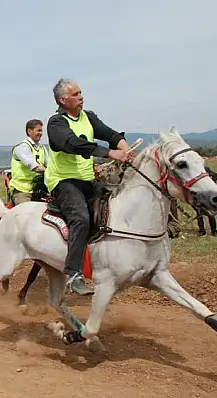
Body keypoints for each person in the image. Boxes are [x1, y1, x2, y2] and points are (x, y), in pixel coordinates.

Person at [44, 78, 135, 296]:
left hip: (87, 180)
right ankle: (74, 273)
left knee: (116, 208)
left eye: (81, 92)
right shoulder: (56, 123)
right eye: (76, 94)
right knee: (81, 218)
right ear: (62, 100)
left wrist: (123, 146)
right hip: (63, 182)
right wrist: (109, 153)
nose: (81, 96)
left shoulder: (88, 116)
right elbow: (72, 143)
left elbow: (109, 133)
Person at [9, 119, 48, 205]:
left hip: (39, 190)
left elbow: (50, 164)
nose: (41, 133)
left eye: (41, 130)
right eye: (38, 130)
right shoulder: (22, 148)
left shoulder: (42, 148)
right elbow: (36, 167)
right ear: (29, 131)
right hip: (22, 191)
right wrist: (49, 171)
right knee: (25, 216)